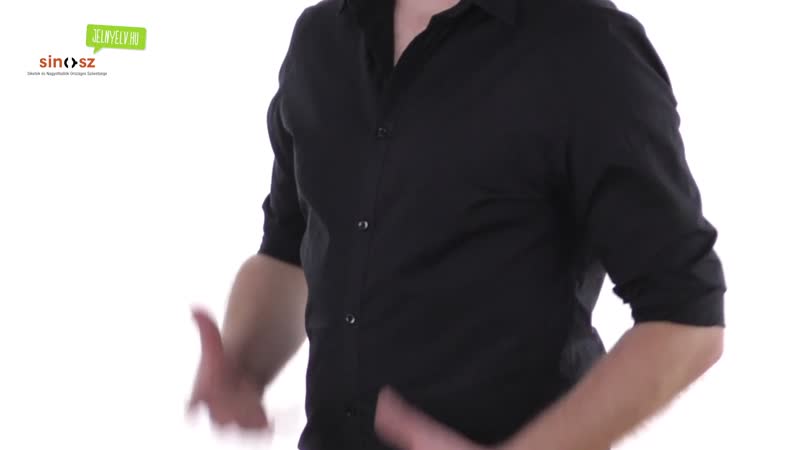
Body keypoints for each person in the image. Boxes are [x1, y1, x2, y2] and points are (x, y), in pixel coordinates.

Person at [186, 0, 727, 448]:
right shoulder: (320, 38)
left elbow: (687, 319)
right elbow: (290, 245)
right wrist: (243, 367)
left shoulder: (586, 45)